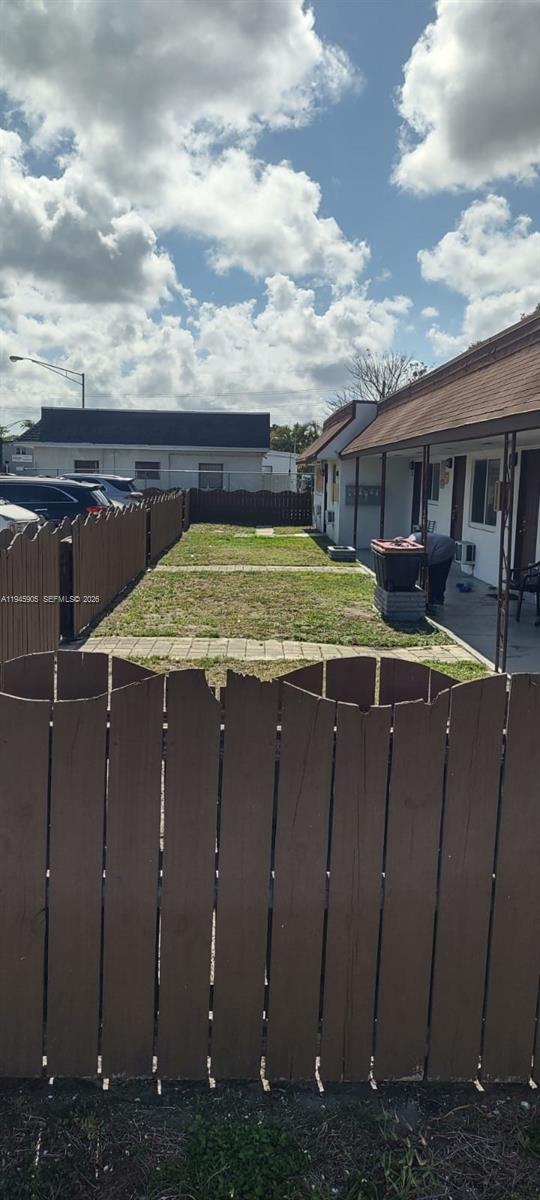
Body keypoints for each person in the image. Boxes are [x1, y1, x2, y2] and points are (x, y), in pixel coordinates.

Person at [407, 530, 456, 605]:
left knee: (437, 575)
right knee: (437, 574)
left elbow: (424, 558)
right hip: (446, 543)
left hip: (444, 547)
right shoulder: (412, 537)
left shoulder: (413, 543)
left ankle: (436, 599)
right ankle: (435, 597)